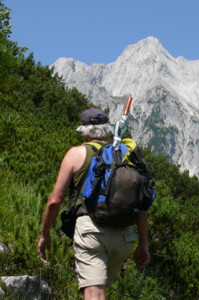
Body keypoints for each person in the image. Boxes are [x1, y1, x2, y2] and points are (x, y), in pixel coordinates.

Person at [38, 108, 150, 300]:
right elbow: (141, 206)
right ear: (107, 129)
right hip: (124, 237)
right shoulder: (126, 154)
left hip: (92, 232)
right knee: (100, 293)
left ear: (83, 130)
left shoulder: (76, 154)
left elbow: (54, 201)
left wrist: (45, 233)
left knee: (95, 295)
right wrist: (143, 244)